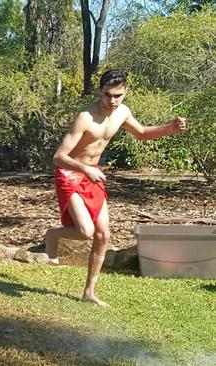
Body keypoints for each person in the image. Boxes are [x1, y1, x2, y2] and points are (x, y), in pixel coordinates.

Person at [45, 69, 186, 307]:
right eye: (108, 95)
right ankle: (53, 235)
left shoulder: (122, 112)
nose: (112, 101)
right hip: (71, 174)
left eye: (118, 95)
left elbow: (141, 134)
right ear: (100, 92)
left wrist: (168, 129)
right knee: (85, 232)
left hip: (93, 173)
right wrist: (85, 169)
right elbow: (59, 157)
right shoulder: (85, 117)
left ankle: (89, 292)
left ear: (125, 92)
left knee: (103, 235)